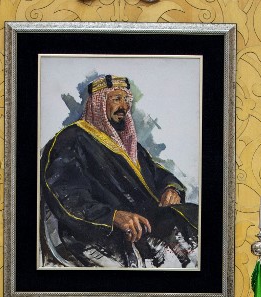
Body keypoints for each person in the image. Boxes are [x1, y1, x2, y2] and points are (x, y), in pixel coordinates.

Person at [40, 74, 200, 268]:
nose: (124, 106)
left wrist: (171, 188)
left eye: (127, 100)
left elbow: (155, 173)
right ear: (98, 104)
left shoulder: (127, 144)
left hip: (145, 224)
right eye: (117, 99)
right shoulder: (71, 140)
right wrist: (113, 217)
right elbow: (67, 198)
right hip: (100, 234)